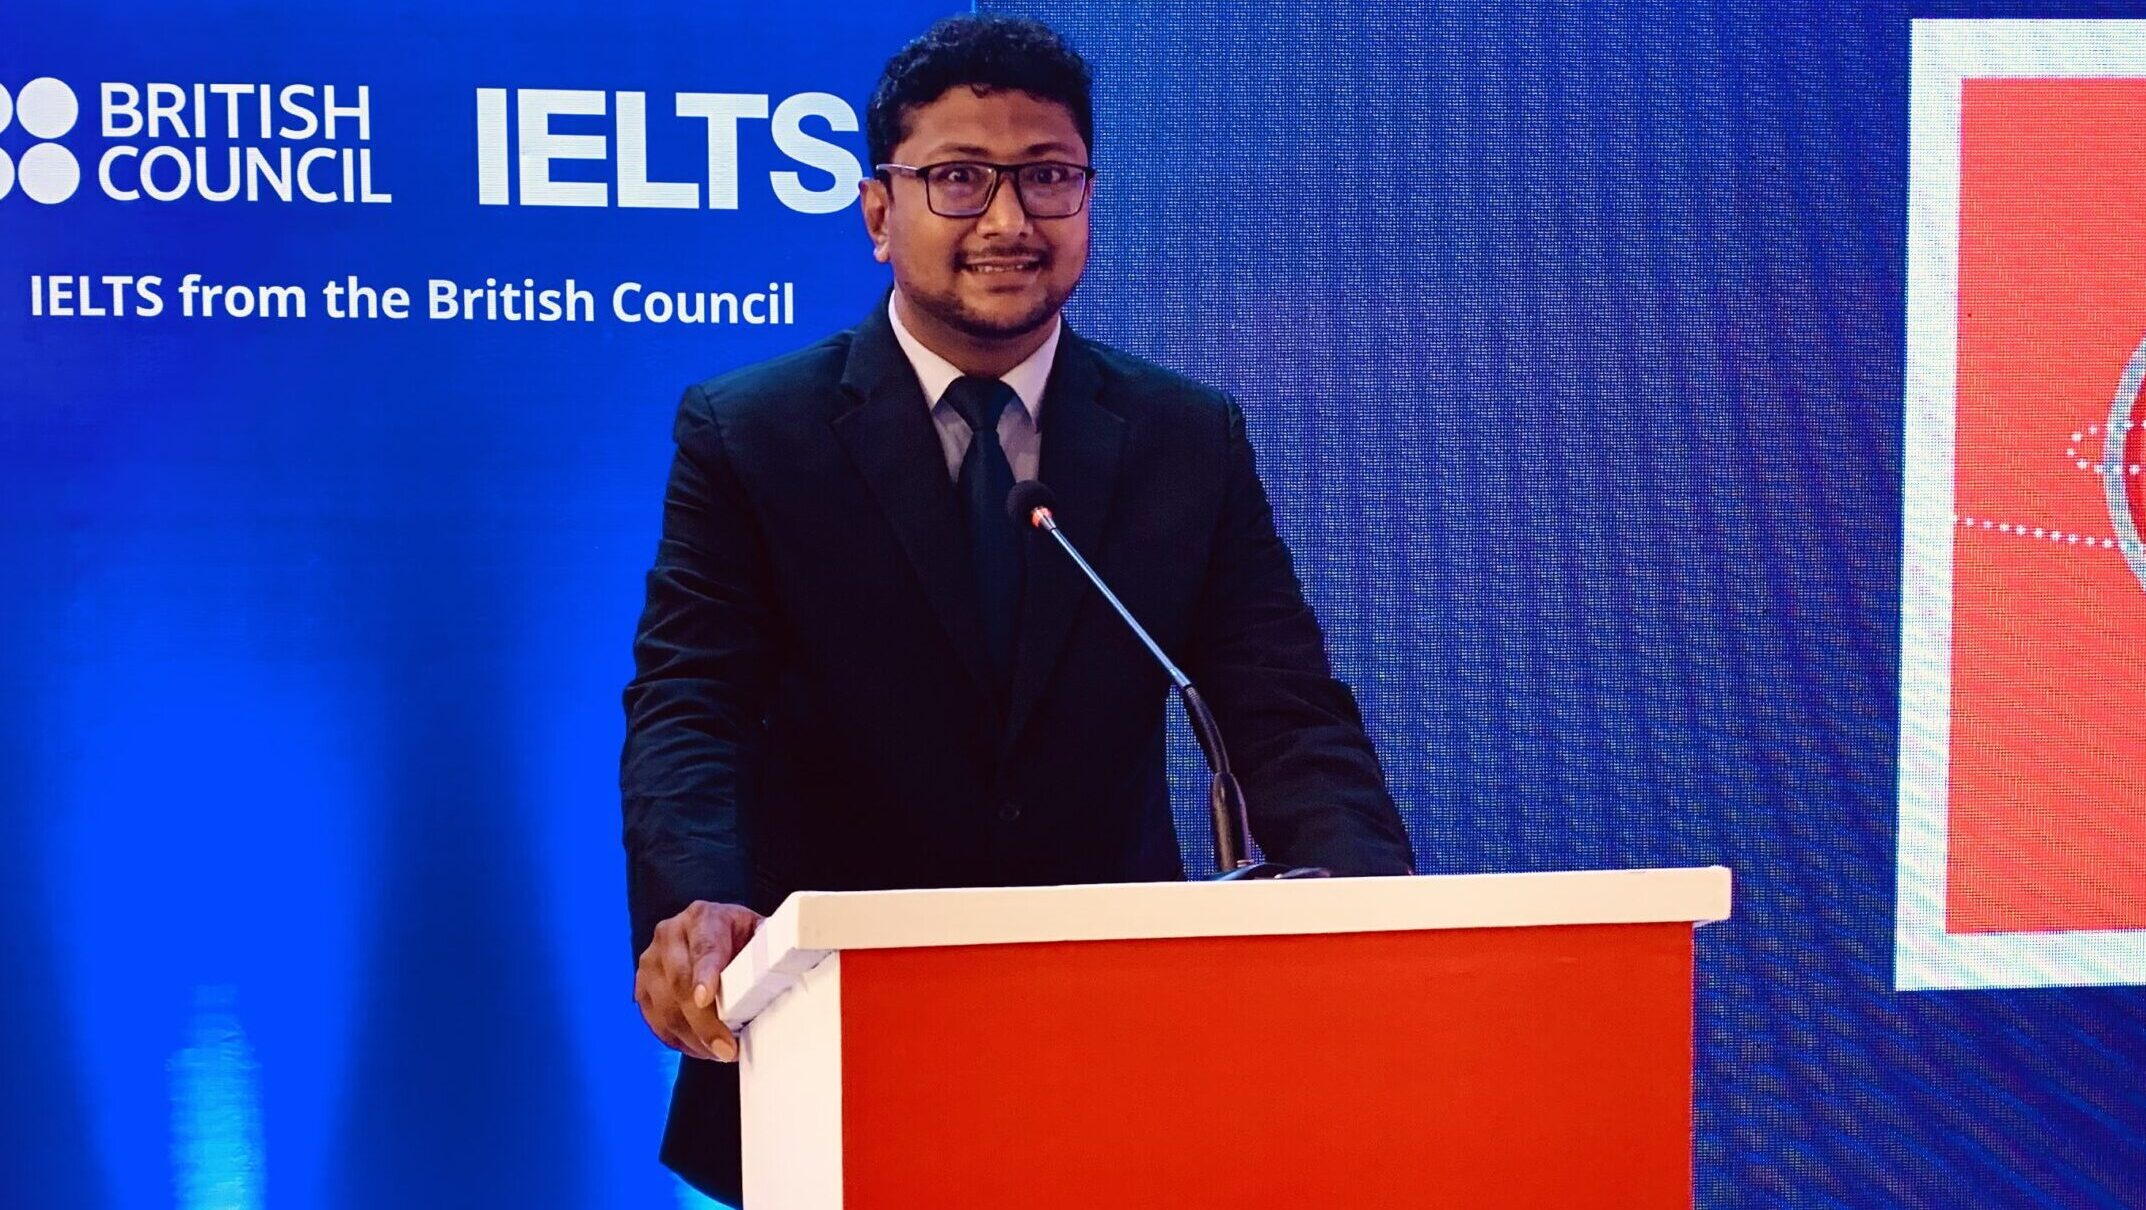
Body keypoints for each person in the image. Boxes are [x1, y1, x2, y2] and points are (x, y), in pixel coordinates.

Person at [620, 14, 1414, 1202]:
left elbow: (1278, 702)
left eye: (1046, 177)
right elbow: (694, 698)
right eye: (957, 178)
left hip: (1116, 1036)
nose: (1007, 220)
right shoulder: (753, 433)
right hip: (831, 1035)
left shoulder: (1184, 437)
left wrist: (1377, 913)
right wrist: (697, 896)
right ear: (879, 212)